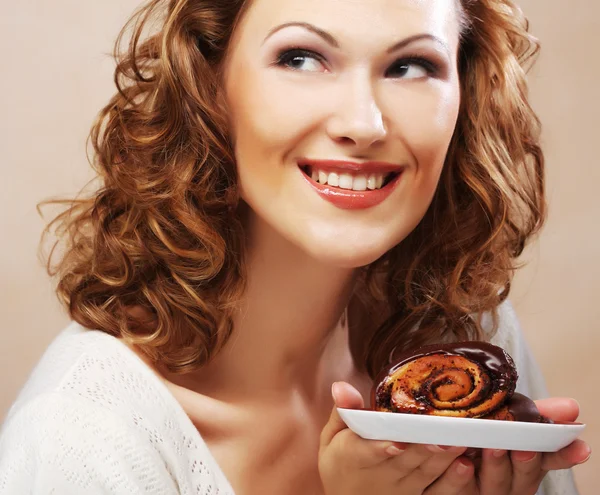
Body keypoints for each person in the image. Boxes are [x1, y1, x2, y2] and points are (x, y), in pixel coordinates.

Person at [0, 0, 591, 493]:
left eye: (411, 65)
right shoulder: (77, 442)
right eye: (301, 58)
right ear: (209, 85)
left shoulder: (470, 340)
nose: (364, 123)